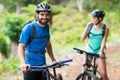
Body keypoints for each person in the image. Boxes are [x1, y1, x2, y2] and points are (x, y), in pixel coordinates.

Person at [18, 3, 56, 80]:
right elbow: (21, 46)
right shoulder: (29, 28)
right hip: (30, 67)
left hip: (43, 66)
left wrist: (53, 59)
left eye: (47, 14)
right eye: (42, 14)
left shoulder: (47, 27)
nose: (44, 17)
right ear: (37, 15)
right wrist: (23, 64)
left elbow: (48, 44)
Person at [81, 9, 109, 80]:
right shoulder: (90, 26)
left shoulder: (105, 28)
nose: (92, 19)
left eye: (94, 18)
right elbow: (83, 38)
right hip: (89, 50)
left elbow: (103, 41)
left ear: (100, 19)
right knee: (84, 71)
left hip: (99, 51)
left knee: (103, 74)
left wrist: (101, 51)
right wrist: (86, 27)